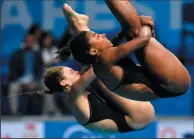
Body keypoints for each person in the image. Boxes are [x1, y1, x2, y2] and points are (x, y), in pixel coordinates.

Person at [62, 2, 191, 101]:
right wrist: (146, 24)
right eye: (97, 36)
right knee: (135, 30)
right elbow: (143, 38)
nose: (102, 34)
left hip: (164, 83)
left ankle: (80, 25)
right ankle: (80, 25)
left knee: (131, 30)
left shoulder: (100, 63)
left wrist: (143, 26)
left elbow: (115, 42)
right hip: (172, 83)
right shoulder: (106, 58)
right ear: (94, 51)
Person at [43, 65, 155, 133]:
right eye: (71, 72)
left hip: (136, 118)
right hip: (139, 117)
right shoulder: (73, 96)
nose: (76, 71)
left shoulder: (76, 94)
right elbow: (97, 65)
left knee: (98, 70)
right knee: (99, 70)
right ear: (63, 82)